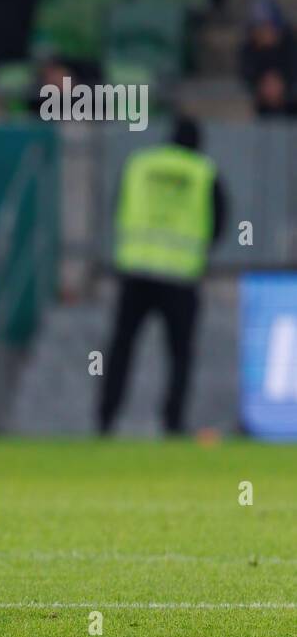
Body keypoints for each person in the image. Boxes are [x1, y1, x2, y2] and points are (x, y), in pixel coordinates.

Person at [98, 116, 227, 436]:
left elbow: (118, 207)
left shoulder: (140, 165)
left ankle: (105, 418)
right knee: (180, 356)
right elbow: (219, 223)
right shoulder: (204, 172)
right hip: (181, 278)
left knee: (122, 348)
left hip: (137, 271)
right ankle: (173, 423)